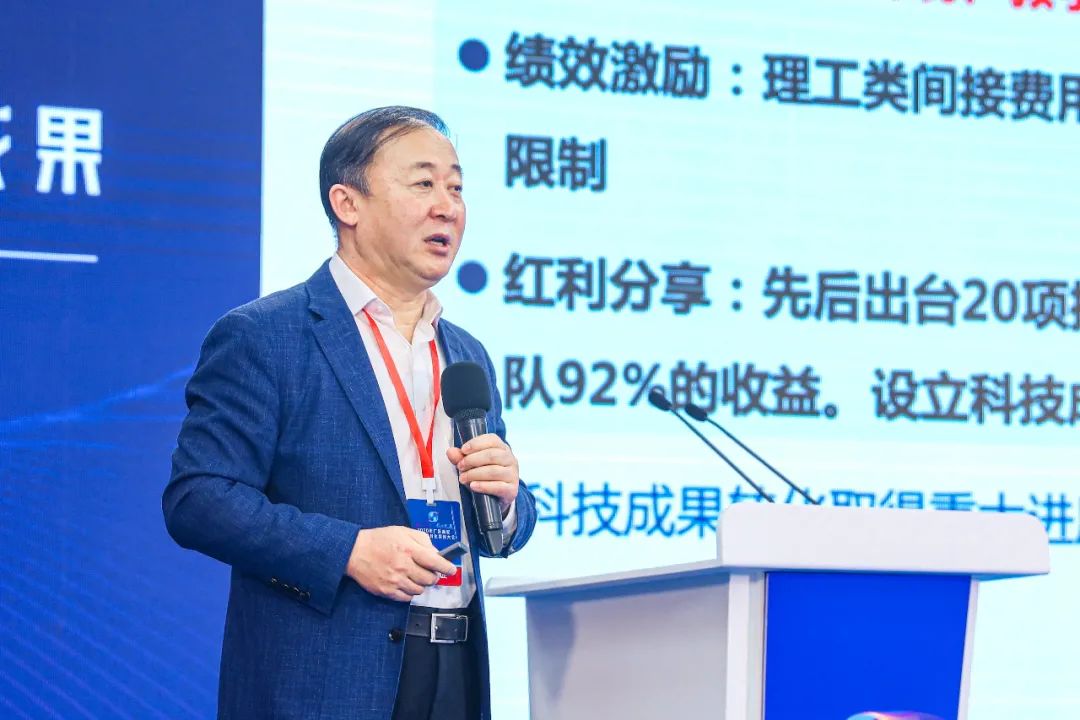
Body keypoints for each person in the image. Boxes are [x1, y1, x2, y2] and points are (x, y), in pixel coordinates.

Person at [163, 106, 536, 720]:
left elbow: (503, 529)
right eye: (424, 183)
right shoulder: (267, 335)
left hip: (456, 668)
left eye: (456, 187)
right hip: (327, 680)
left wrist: (508, 499)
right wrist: (348, 550)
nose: (447, 207)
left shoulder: (466, 354)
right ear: (348, 203)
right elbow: (199, 498)